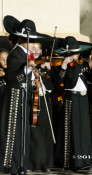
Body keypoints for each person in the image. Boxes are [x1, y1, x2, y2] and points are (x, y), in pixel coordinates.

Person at [0, 17, 49, 174]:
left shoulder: (26, 55)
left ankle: (20, 163)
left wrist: (34, 80)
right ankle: (9, 165)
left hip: (24, 97)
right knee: (12, 132)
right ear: (24, 40)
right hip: (15, 98)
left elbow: (26, 77)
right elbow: (12, 78)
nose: (33, 45)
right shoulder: (15, 53)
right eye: (31, 41)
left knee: (22, 133)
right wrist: (27, 68)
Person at [54, 36, 92, 171]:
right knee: (73, 129)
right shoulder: (63, 66)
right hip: (72, 99)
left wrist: (90, 65)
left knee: (83, 130)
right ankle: (73, 162)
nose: (77, 56)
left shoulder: (82, 64)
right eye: (74, 53)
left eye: (77, 53)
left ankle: (85, 160)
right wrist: (64, 66)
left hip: (83, 99)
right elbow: (58, 81)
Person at [28, 43, 55, 172]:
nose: (37, 51)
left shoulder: (44, 67)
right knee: (34, 133)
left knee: (45, 132)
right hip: (32, 101)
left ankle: (46, 163)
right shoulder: (27, 66)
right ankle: (34, 162)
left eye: (39, 48)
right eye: (33, 48)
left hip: (44, 101)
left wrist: (44, 71)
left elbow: (50, 87)